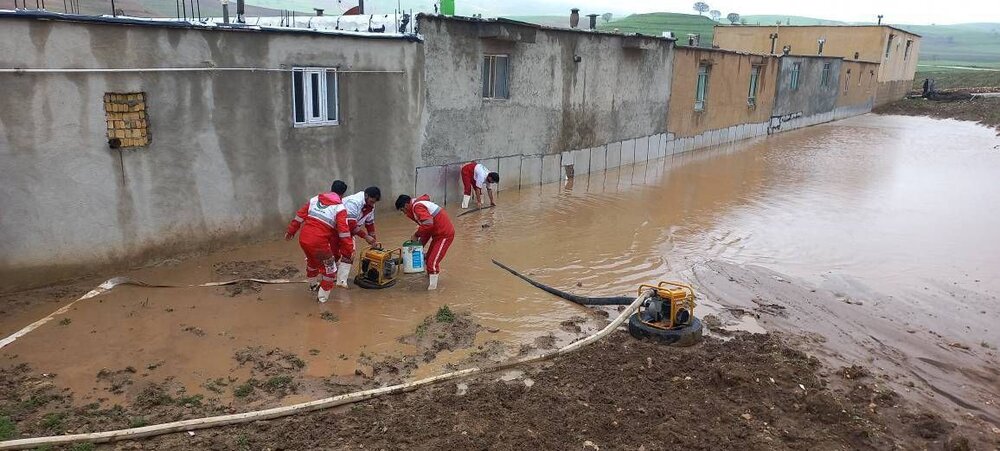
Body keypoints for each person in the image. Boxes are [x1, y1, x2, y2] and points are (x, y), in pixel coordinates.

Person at [285, 180, 354, 303]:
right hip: (318, 242)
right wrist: (348, 251)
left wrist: (291, 231)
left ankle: (312, 286)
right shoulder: (340, 208)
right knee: (330, 270)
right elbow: (344, 233)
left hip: (304, 238)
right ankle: (322, 300)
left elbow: (299, 216)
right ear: (342, 194)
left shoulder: (315, 199)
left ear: (331, 189)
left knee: (312, 261)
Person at [395, 194, 455, 290]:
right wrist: (419, 245)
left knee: (432, 263)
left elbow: (428, 224)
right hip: (437, 235)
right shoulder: (418, 207)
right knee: (428, 259)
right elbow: (427, 230)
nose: (404, 214)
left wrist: (416, 235)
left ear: (406, 205)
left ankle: (432, 294)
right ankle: (429, 281)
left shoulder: (417, 207)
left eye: (403, 210)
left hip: (444, 235)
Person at [337, 186, 382, 287]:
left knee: (349, 254)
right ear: (366, 196)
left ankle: (341, 281)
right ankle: (328, 277)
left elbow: (370, 224)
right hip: (336, 229)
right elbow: (351, 224)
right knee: (333, 254)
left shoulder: (371, 205)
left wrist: (374, 241)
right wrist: (366, 236)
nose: (372, 204)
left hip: (348, 231)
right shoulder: (354, 202)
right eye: (371, 201)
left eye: (374, 202)